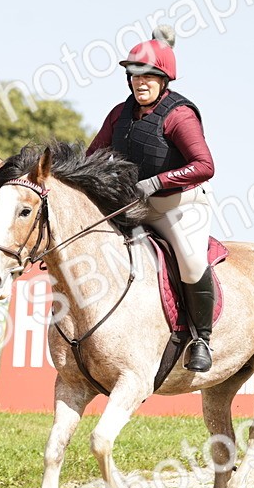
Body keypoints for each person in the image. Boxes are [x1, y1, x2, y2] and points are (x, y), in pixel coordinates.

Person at [86, 25, 217, 372]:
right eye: (134, 76)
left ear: (164, 79)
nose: (139, 83)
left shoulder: (179, 115)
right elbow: (92, 157)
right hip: (134, 206)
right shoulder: (119, 114)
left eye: (148, 76)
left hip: (180, 205)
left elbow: (205, 165)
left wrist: (158, 181)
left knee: (190, 260)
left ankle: (201, 338)